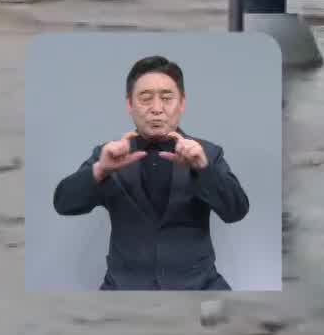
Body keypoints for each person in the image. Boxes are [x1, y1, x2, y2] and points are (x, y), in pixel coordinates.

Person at [51, 55, 250, 291]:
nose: (157, 109)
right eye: (145, 99)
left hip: (198, 286)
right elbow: (63, 203)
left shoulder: (207, 153)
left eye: (167, 98)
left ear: (182, 103)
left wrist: (203, 169)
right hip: (124, 289)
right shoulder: (110, 154)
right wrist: (100, 170)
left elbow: (236, 211)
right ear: (129, 104)